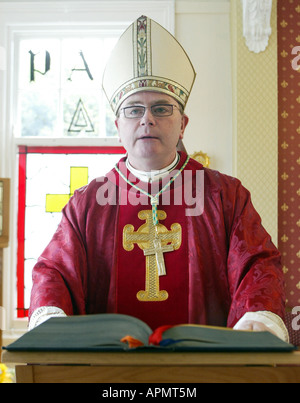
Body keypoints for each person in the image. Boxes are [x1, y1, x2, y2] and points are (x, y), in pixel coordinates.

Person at [28, 16, 288, 341]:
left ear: (183, 124)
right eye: (134, 110)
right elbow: (54, 270)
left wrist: (256, 316)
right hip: (110, 372)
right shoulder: (87, 203)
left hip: (204, 371)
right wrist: (51, 314)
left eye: (162, 109)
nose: (147, 120)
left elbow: (256, 264)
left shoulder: (225, 195)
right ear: (117, 125)